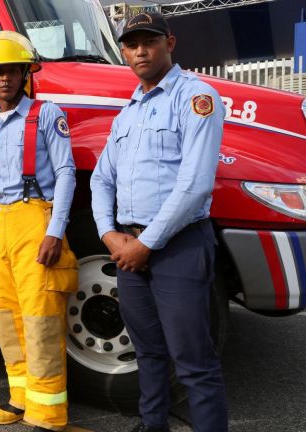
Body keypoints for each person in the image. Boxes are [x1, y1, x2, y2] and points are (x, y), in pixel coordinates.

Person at [90, 12, 228, 432]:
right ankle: (153, 426)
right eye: (131, 44)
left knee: (194, 363)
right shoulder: (126, 114)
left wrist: (145, 243)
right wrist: (108, 233)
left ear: (170, 42)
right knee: (147, 353)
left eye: (148, 41)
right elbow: (101, 178)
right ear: (124, 52)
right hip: (131, 251)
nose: (140, 51)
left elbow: (196, 185)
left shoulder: (196, 98)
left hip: (177, 247)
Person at [0, 31, 78, 432]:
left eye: (11, 71)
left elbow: (66, 173)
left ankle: (48, 412)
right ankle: (19, 397)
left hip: (34, 221)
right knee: (7, 318)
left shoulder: (46, 115)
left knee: (41, 318)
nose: (5, 79)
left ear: (25, 73)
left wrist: (56, 231)